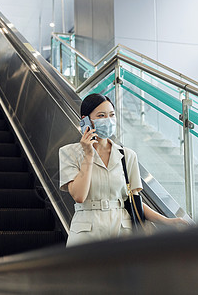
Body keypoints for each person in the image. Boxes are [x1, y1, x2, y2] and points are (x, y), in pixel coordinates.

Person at [59, 93, 188, 247]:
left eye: (111, 115)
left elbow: (134, 200)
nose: (108, 120)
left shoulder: (127, 155)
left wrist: (167, 221)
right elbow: (79, 196)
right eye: (101, 115)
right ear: (85, 120)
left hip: (122, 230)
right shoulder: (69, 153)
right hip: (86, 232)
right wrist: (88, 155)